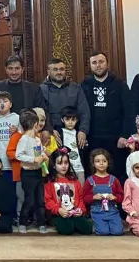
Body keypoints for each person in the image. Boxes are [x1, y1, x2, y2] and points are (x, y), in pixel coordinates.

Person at [81, 51, 132, 182]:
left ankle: (118, 201)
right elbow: (80, 111)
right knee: (93, 172)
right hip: (92, 138)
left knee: (117, 173)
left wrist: (125, 135)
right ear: (90, 65)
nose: (98, 65)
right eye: (94, 62)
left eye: (101, 62)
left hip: (116, 139)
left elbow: (129, 111)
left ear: (107, 63)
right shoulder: (84, 85)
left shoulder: (120, 85)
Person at [40, 59, 90, 147]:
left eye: (62, 69)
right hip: (52, 134)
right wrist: (49, 130)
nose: (59, 72)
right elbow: (41, 113)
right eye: (55, 69)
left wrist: (83, 130)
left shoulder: (75, 88)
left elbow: (84, 111)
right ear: (48, 71)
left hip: (74, 134)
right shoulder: (41, 90)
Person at [13, 110, 47, 234]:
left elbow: (39, 153)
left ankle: (41, 223)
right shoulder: (24, 139)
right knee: (29, 199)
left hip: (37, 172)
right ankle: (22, 222)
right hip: (27, 174)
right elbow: (18, 155)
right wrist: (33, 159)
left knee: (40, 199)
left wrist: (43, 155)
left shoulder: (37, 140)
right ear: (34, 125)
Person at [44, 149, 93, 235]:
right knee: (67, 230)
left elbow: (81, 198)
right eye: (60, 163)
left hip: (74, 212)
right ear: (54, 165)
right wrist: (58, 210)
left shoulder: (74, 181)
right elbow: (48, 200)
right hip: (59, 214)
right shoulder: (50, 182)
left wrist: (81, 209)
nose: (63, 166)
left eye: (66, 163)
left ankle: (76, 223)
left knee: (87, 229)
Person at [84, 149, 124, 236]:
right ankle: (96, 224)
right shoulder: (90, 180)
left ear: (108, 162)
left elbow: (121, 196)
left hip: (112, 210)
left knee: (118, 232)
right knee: (103, 232)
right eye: (98, 161)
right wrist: (93, 197)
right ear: (93, 163)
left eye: (104, 161)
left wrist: (115, 197)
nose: (101, 163)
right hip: (97, 211)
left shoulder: (114, 179)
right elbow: (84, 197)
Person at [58, 106, 85, 182]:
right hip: (65, 168)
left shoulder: (79, 134)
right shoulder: (59, 132)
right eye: (67, 119)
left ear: (77, 120)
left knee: (81, 191)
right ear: (62, 120)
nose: (70, 122)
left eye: (73, 119)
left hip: (79, 168)